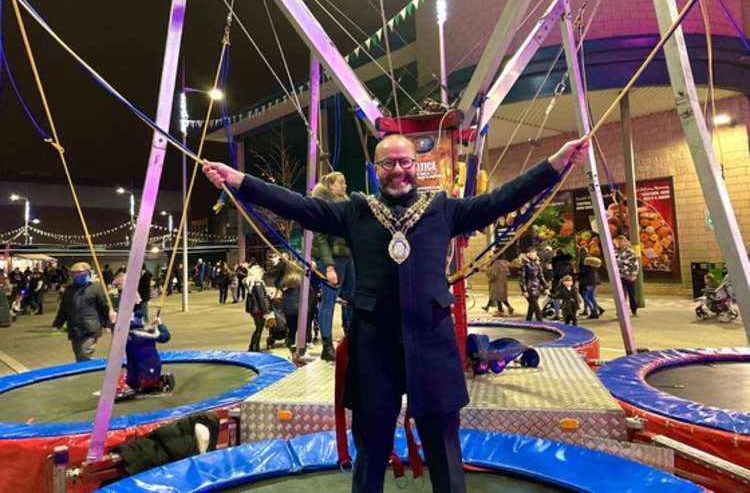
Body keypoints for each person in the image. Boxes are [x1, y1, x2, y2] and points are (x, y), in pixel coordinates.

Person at [202, 134, 587, 493]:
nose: (397, 170)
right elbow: (300, 206)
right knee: (370, 448)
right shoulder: (355, 211)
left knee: (445, 450)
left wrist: (554, 164)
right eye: (388, 164)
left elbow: (500, 199)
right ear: (375, 169)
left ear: (416, 165)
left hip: (433, 346)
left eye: (404, 162)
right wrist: (240, 180)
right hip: (374, 348)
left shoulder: (443, 209)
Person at [312, 171, 356, 360]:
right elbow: (320, 239)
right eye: (341, 182)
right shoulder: (324, 208)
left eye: (345, 182)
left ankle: (351, 335)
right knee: (329, 301)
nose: (345, 186)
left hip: (347, 258)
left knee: (353, 297)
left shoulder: (346, 207)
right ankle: (327, 345)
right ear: (331, 186)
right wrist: (329, 267)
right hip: (332, 260)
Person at [52, 262, 114, 362]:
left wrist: (108, 324)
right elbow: (63, 309)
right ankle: (92, 370)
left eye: (81, 273)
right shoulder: (69, 290)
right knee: (78, 354)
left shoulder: (96, 287)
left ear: (88, 273)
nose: (78, 276)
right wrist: (57, 323)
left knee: (85, 353)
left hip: (90, 327)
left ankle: (92, 373)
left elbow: (104, 306)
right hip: (74, 327)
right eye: (75, 274)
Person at [117, 310, 174, 400]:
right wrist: (160, 324)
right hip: (155, 372)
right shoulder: (150, 332)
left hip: (138, 378)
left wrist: (113, 323)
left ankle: (130, 388)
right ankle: (157, 381)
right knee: (148, 366)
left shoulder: (128, 336)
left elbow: (117, 336)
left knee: (119, 378)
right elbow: (166, 336)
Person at [519, 247, 547, 321]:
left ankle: (528, 320)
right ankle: (540, 321)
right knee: (536, 307)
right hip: (529, 288)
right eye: (532, 253)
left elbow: (541, 276)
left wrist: (546, 287)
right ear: (528, 254)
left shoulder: (538, 264)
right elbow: (522, 279)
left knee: (532, 307)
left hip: (537, 288)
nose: (534, 254)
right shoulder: (524, 265)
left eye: (534, 253)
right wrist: (524, 290)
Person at [615, 235, 640, 316]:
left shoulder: (631, 252)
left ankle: (634, 310)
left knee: (631, 294)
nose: (620, 243)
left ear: (625, 242)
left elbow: (635, 264)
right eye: (618, 242)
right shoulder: (615, 252)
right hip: (619, 276)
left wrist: (634, 275)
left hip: (629, 276)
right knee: (621, 295)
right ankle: (621, 311)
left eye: (621, 242)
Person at [578, 249, 603, 318]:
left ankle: (593, 311)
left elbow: (583, 272)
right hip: (594, 282)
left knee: (585, 297)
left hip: (587, 282)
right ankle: (596, 310)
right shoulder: (593, 263)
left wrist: (576, 275)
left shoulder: (585, 262)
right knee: (591, 297)